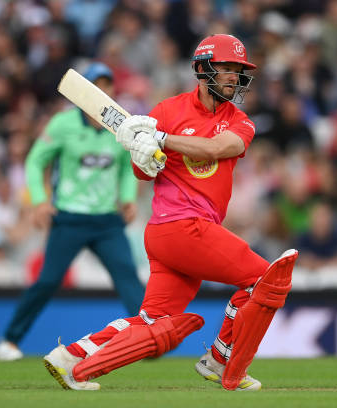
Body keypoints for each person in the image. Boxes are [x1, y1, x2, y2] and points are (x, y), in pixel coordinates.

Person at [42, 34, 298, 391]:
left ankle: (70, 357)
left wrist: (161, 140)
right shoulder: (166, 111)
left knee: (152, 321)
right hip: (182, 228)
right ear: (202, 69)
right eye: (226, 68)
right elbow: (142, 173)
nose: (234, 77)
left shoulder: (240, 122)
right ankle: (221, 359)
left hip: (175, 236)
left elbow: (216, 149)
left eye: (238, 70)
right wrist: (141, 151)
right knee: (263, 280)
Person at [0, 62, 145, 361]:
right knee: (48, 281)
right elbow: (36, 160)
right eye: (96, 85)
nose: (103, 91)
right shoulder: (63, 124)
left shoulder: (122, 126)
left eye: (107, 85)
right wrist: (40, 201)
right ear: (82, 91)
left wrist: (128, 198)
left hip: (107, 221)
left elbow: (127, 166)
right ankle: (9, 341)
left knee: (128, 278)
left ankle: (147, 341)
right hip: (69, 218)